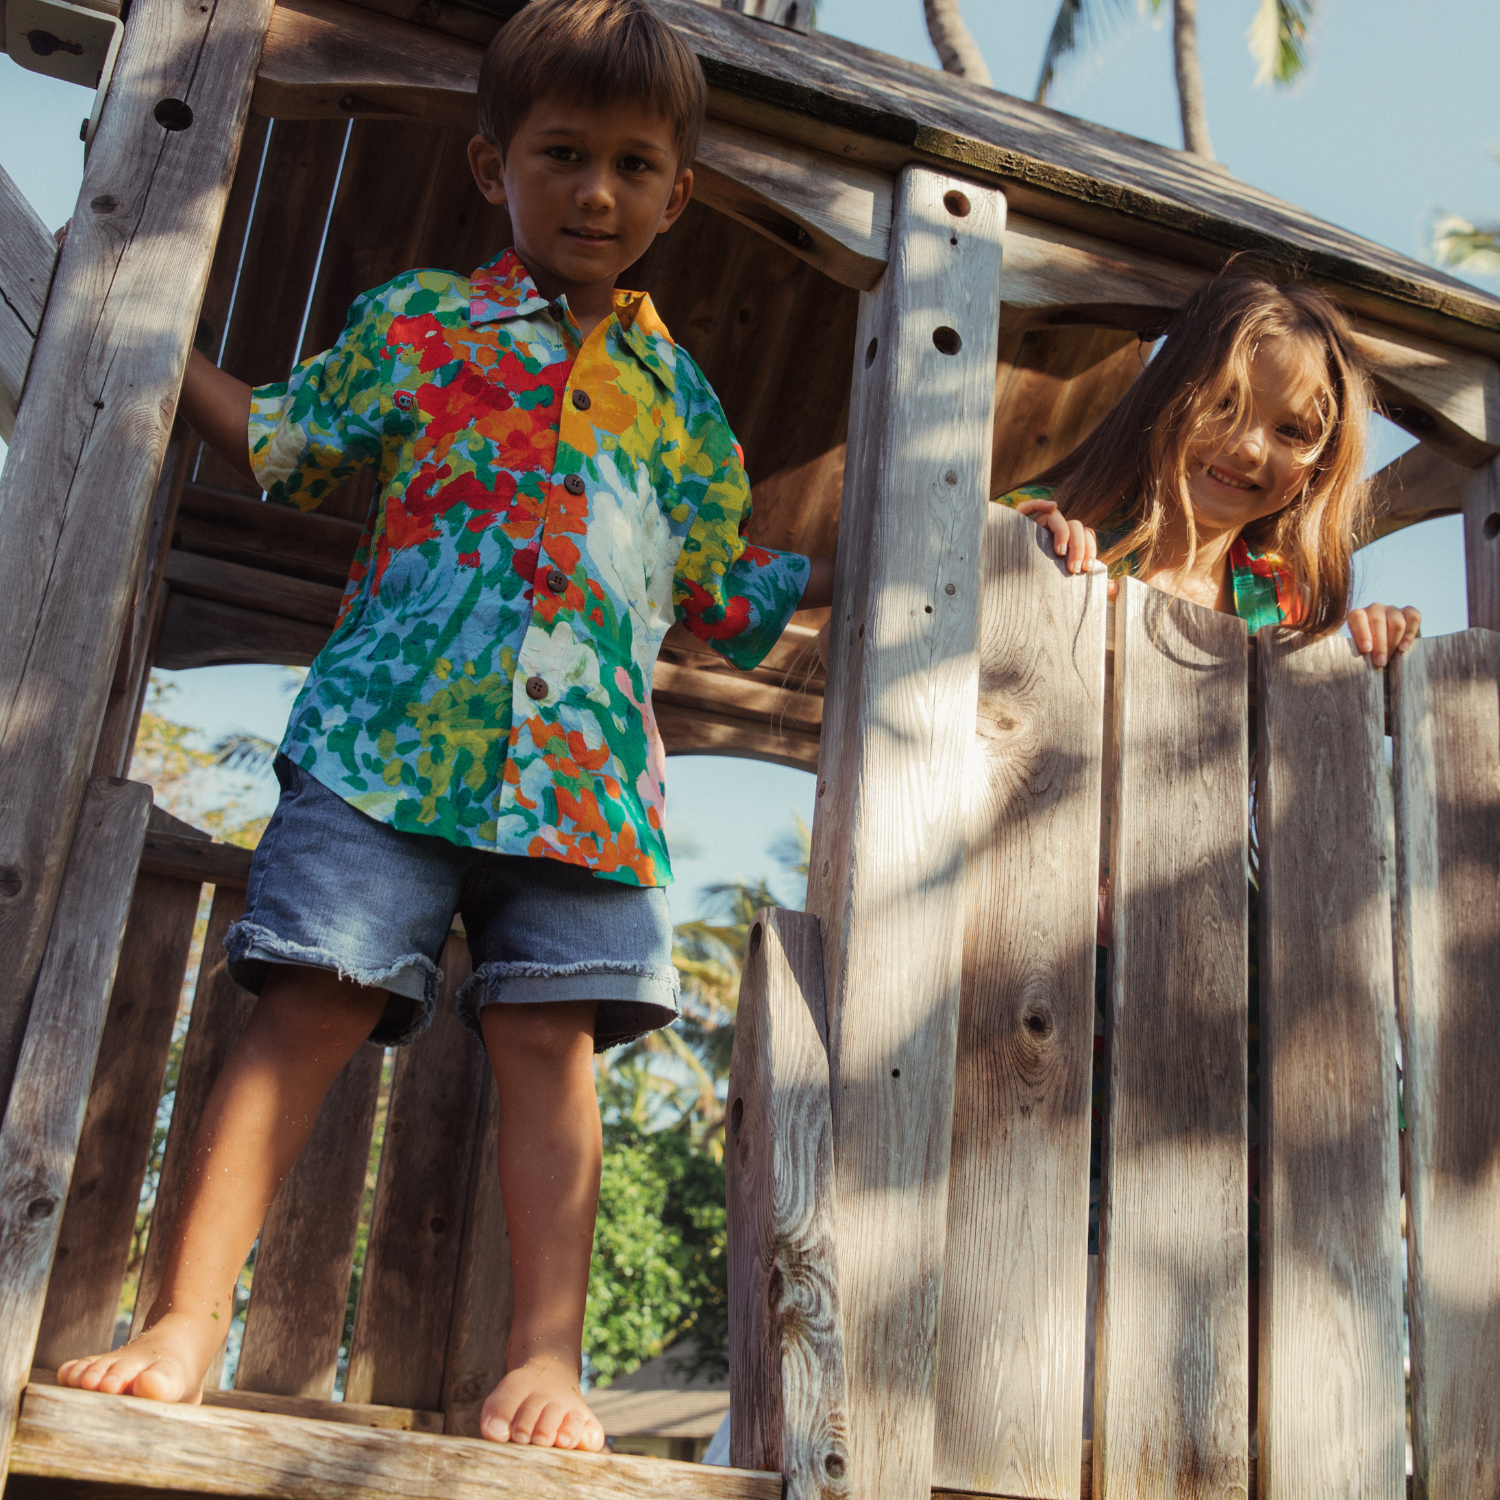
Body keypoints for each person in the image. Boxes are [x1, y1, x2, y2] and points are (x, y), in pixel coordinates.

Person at [58, 0, 832, 1452]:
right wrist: (156, 345)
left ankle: (547, 1363)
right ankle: (183, 1323)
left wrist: (911, 556)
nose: (595, 191)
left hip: (585, 785)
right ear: (494, 168)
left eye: (632, 165)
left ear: (676, 194)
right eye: (562, 155)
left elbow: (728, 595)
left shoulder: (684, 404)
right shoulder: (420, 325)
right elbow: (285, 441)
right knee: (311, 1002)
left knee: (551, 1043)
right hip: (385, 749)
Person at [998, 269, 1420, 1437]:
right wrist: (1020, 557)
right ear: (1171, 391)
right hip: (1048, 959)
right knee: (1058, 1242)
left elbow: (1308, 772)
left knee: (1216, 1244)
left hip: (1213, 970)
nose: (1252, 449)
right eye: (1229, 406)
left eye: (1294, 431)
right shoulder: (1063, 537)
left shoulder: (1277, 601)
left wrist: (1361, 651)